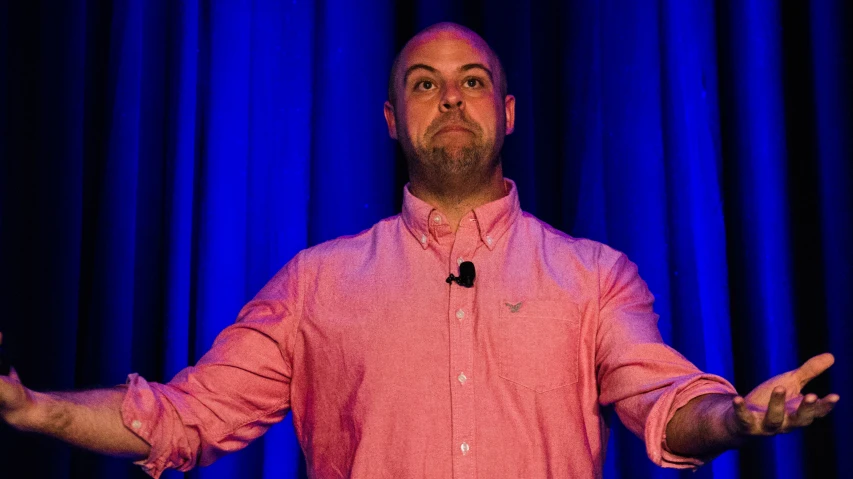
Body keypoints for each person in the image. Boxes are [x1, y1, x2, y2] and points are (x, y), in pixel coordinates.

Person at [0, 22, 839, 479]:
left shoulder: (592, 276)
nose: (450, 99)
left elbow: (664, 402)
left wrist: (732, 416)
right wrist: (37, 407)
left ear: (506, 114)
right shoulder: (315, 285)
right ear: (392, 119)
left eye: (472, 80)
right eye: (424, 84)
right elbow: (185, 416)